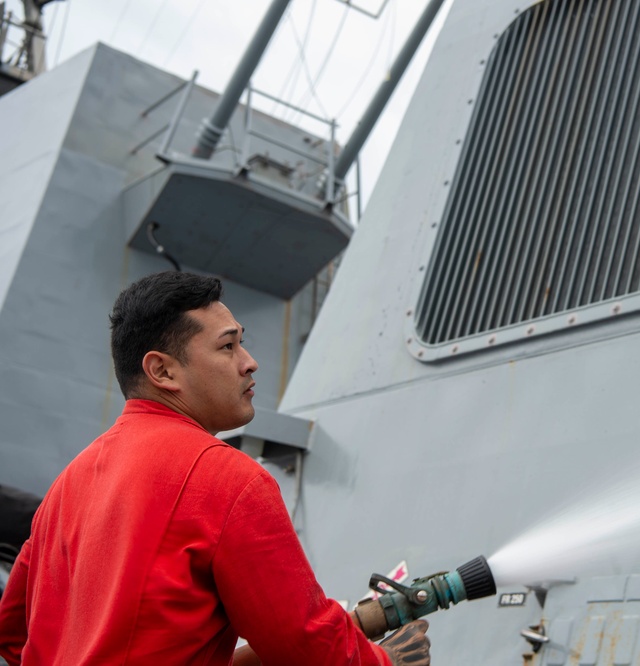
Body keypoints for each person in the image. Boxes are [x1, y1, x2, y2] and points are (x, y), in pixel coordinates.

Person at [0, 271, 430, 665]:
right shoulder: (229, 480)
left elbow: (14, 633)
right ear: (162, 370)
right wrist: (386, 661)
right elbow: (302, 642)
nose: (249, 361)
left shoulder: (67, 485)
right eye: (228, 346)